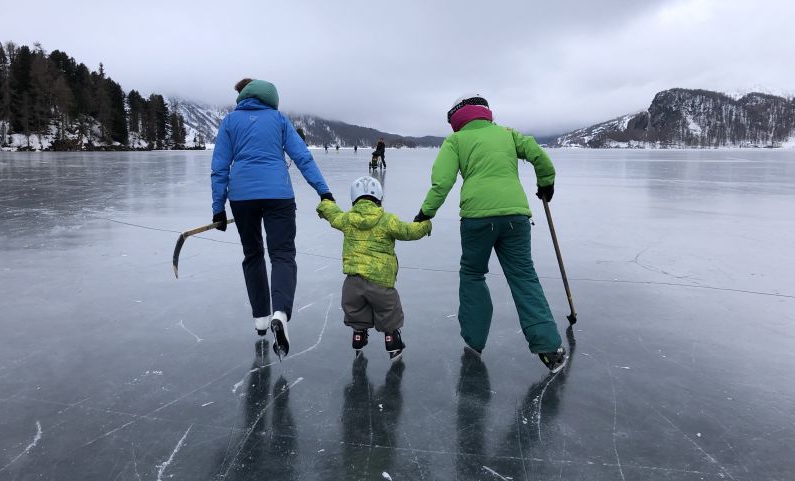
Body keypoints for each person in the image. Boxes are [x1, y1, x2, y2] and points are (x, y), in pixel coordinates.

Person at [413, 93, 568, 373]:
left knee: (472, 274)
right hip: (515, 217)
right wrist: (546, 183)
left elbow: (442, 182)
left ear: (456, 121)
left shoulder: (456, 141)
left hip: (476, 219)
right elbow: (538, 155)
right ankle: (548, 348)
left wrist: (425, 213)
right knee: (523, 276)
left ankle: (474, 341)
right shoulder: (507, 134)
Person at [211, 78, 334, 360]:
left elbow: (219, 167)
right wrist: (323, 191)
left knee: (253, 254)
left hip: (241, 197)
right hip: (278, 195)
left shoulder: (230, 122)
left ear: (243, 96)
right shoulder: (279, 120)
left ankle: (261, 319)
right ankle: (280, 312)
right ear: (271, 97)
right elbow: (303, 157)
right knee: (282, 254)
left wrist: (218, 208)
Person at [317, 176, 431, 361]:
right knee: (389, 313)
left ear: (354, 198)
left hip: (353, 283)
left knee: (356, 311)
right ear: (379, 197)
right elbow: (410, 231)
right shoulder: (387, 220)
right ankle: (391, 340)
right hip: (381, 283)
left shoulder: (347, 219)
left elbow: (333, 214)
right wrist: (425, 223)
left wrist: (325, 202)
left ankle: (358, 335)